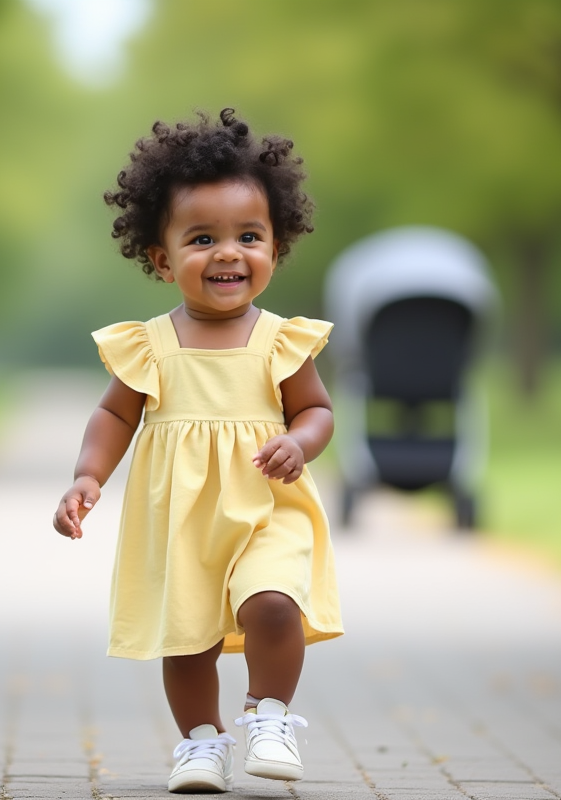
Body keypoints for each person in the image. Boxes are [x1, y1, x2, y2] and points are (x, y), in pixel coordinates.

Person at [52, 108, 343, 794]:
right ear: (162, 257)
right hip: (179, 519)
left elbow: (317, 411)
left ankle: (268, 715)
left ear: (276, 248)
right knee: (188, 640)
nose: (228, 253)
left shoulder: (281, 340)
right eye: (202, 238)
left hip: (266, 504)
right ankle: (201, 743)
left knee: (274, 603)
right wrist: (87, 477)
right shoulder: (147, 343)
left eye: (249, 236)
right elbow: (112, 415)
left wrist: (299, 443)